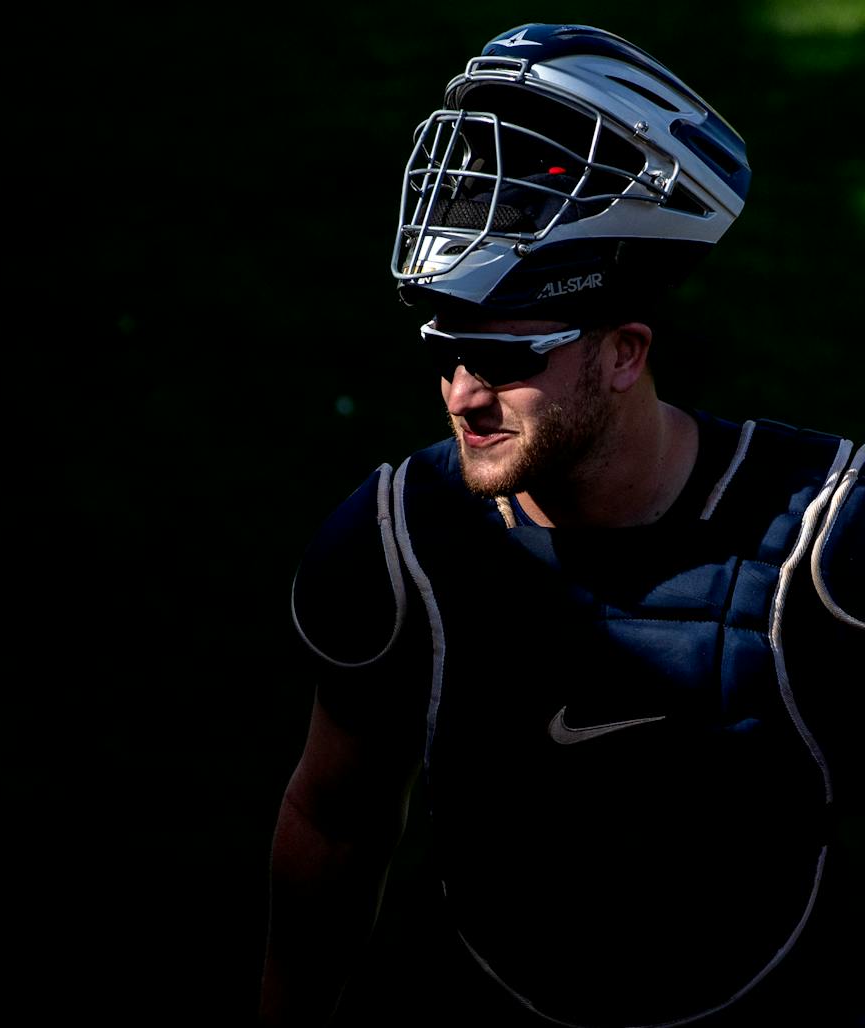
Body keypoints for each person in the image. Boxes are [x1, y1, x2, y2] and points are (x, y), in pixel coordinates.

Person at [259, 23, 862, 1028]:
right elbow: (330, 817)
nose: (461, 392)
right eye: (444, 351)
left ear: (624, 351)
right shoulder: (397, 545)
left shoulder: (825, 537)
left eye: (505, 358)